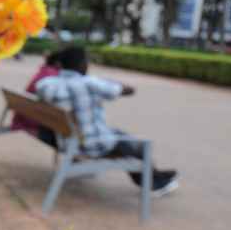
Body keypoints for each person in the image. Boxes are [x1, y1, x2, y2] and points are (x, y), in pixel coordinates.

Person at [34, 46, 179, 197]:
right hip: (91, 144)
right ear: (81, 64)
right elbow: (128, 90)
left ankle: (155, 175)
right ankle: (152, 184)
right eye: (87, 61)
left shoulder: (46, 84)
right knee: (138, 147)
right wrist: (113, 83)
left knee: (123, 138)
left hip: (67, 140)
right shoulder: (89, 83)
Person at [12, 50, 62, 148]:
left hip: (23, 117)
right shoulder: (53, 77)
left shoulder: (43, 72)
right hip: (33, 123)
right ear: (58, 63)